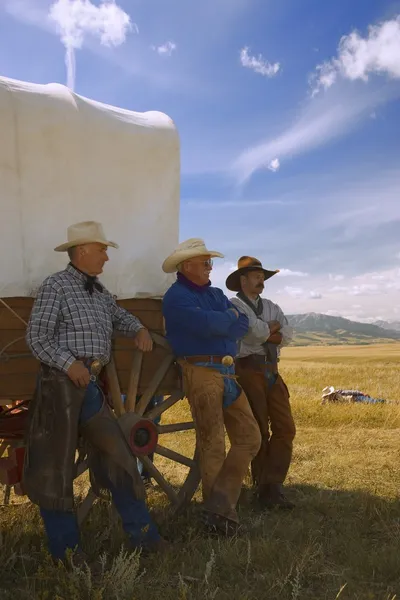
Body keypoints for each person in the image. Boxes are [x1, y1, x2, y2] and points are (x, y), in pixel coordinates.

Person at [24, 221, 167, 568]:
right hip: (60, 386)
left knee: (120, 459)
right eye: (102, 249)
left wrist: (140, 328)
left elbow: (120, 316)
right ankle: (68, 556)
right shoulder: (56, 285)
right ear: (83, 251)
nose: (106, 256)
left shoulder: (99, 292)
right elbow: (37, 337)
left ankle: (146, 541)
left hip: (88, 388)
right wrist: (69, 364)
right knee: (55, 471)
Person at [161, 239, 261, 535]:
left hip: (228, 372)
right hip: (201, 371)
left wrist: (226, 319)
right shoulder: (176, 297)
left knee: (250, 438)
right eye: (205, 263)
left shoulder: (216, 294)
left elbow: (242, 323)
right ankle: (220, 520)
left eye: (209, 263)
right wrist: (224, 319)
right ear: (186, 266)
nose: (209, 268)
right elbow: (208, 325)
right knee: (213, 444)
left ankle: (219, 505)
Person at [226, 256, 296, 510]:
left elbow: (287, 334)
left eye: (262, 277)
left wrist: (268, 330)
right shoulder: (234, 305)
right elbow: (251, 332)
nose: (261, 281)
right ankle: (261, 487)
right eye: (256, 277)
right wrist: (269, 330)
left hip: (271, 370)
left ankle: (273, 485)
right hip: (247, 369)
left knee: (285, 427)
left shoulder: (271, 306)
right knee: (259, 430)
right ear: (243, 280)